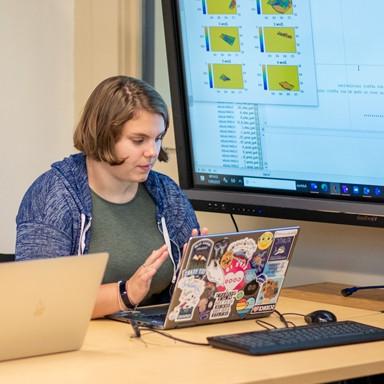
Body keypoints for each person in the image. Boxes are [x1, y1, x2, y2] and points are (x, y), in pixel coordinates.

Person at [16, 75, 205, 318]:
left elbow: (185, 293)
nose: (152, 152)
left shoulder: (166, 194)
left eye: (158, 139)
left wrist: (202, 266)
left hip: (152, 340)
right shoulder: (52, 197)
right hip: (79, 344)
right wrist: (125, 294)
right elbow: (41, 301)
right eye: (138, 140)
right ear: (104, 135)